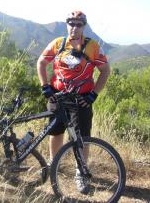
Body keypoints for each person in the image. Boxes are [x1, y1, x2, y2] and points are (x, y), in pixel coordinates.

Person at [36, 10, 110, 193]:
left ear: (84, 26)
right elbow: (41, 63)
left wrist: (93, 94)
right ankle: (55, 163)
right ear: (66, 24)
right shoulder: (58, 44)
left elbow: (105, 70)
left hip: (81, 100)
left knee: (82, 137)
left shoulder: (92, 46)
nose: (74, 27)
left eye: (78, 24)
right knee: (55, 131)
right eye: (71, 23)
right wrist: (45, 87)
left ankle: (81, 172)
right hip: (58, 96)